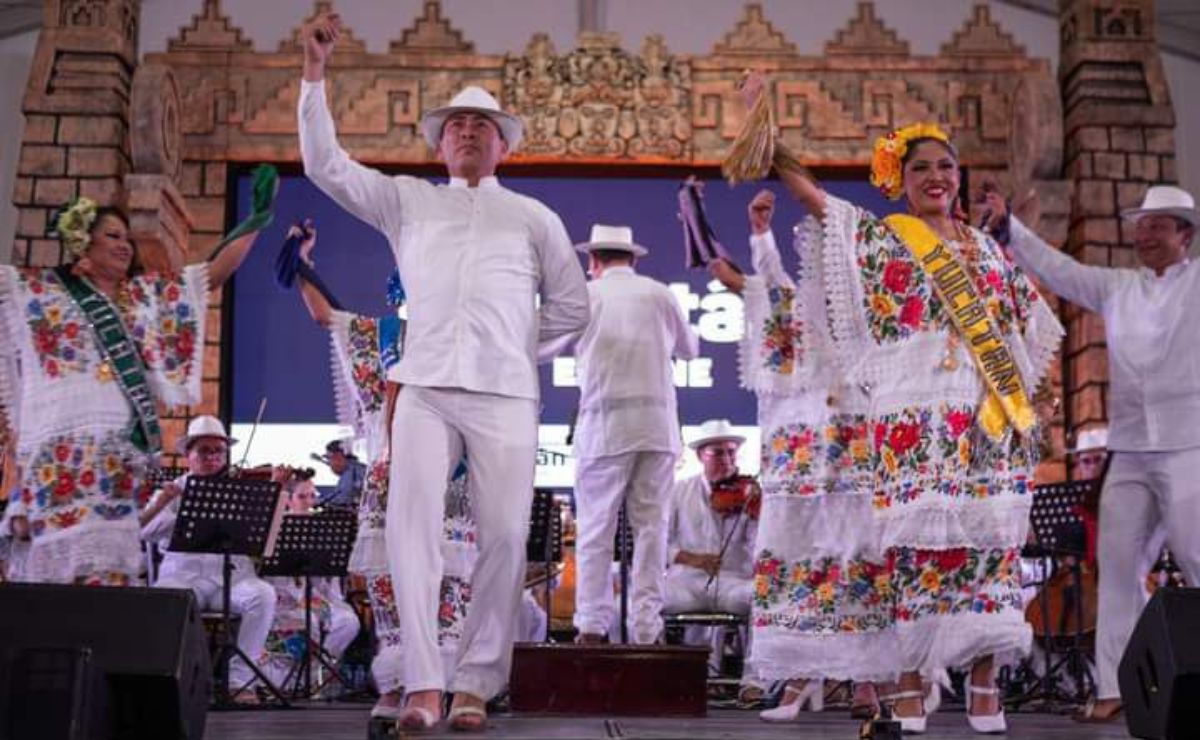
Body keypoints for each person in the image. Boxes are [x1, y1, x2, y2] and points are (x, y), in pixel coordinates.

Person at [722, 73, 1064, 734]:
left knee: (990, 547)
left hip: (985, 421)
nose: (935, 177)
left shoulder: (992, 252)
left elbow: (1028, 331)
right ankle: (909, 681)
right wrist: (768, 127)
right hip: (912, 421)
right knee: (911, 557)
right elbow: (822, 206)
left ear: (958, 177)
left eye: (946, 166)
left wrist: (1025, 416)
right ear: (900, 179)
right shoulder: (885, 240)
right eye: (921, 168)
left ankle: (986, 681)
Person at [985, 183, 1199, 723]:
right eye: (1141, 226)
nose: (1145, 234)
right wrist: (1011, 227)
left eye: (1158, 226)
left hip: (1188, 443)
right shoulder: (1117, 287)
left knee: (1198, 559)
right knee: (1117, 567)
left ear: (1185, 235)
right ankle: (1113, 687)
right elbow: (1058, 270)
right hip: (1128, 449)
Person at [0, 180, 273, 586]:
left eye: (127, 237)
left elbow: (209, 277)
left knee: (106, 579)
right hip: (57, 458)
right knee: (50, 583)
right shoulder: (40, 292)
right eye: (112, 236)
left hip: (115, 461)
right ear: (82, 243)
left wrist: (257, 219)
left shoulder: (142, 299)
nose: (125, 245)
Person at [282, 222, 478, 720]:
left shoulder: (469, 338)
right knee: (390, 578)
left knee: (448, 581)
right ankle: (394, 683)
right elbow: (326, 315)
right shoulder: (377, 336)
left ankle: (440, 686)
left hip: (453, 477)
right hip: (391, 474)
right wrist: (300, 257)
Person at [552, 223, 699, 645]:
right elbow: (690, 349)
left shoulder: (587, 295)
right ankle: (647, 630)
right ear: (632, 259)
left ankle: (592, 628)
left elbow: (546, 344)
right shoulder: (659, 293)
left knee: (596, 531)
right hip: (656, 431)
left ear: (593, 261)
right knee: (652, 532)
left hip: (604, 430)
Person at [140, 415, 277, 702]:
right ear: (188, 455)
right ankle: (178, 680)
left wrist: (274, 493)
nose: (213, 457)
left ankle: (240, 682)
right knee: (169, 597)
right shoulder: (172, 491)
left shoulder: (240, 490)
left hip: (232, 578)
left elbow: (265, 534)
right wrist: (168, 506)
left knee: (263, 595)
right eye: (204, 450)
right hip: (184, 577)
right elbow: (143, 530)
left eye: (219, 451)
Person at [662, 420, 761, 693]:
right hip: (687, 581)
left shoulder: (749, 493)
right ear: (700, 456)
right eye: (717, 453)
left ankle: (753, 682)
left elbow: (757, 549)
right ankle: (656, 679)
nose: (727, 460)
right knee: (645, 601)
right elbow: (659, 543)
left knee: (762, 600)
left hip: (733, 582)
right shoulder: (678, 491)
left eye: (731, 452)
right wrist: (692, 558)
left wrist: (757, 520)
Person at [260, 476, 361, 691]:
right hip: (284, 601)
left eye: (312, 496)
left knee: (348, 621)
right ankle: (291, 678)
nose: (308, 502)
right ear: (288, 500)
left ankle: (314, 671)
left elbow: (329, 583)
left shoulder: (323, 530)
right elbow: (271, 577)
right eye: (301, 496)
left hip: (316, 599)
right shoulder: (275, 530)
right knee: (309, 623)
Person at [318, 439, 366, 510]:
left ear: (338, 456)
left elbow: (344, 498)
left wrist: (319, 502)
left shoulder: (353, 471)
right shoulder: (350, 470)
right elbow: (337, 493)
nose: (330, 464)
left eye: (330, 459)